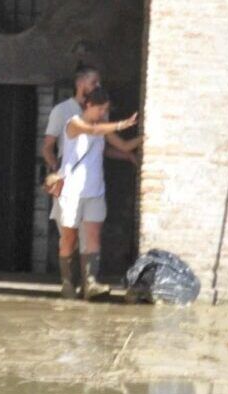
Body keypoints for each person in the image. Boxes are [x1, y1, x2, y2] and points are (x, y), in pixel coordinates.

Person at [51, 86, 141, 300]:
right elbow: (91, 131)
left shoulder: (102, 128)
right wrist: (120, 124)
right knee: (69, 238)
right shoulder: (74, 123)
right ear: (89, 105)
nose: (103, 114)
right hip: (71, 191)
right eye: (101, 109)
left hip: (95, 190)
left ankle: (90, 283)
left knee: (92, 235)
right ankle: (67, 283)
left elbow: (125, 145)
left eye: (106, 110)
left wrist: (146, 138)